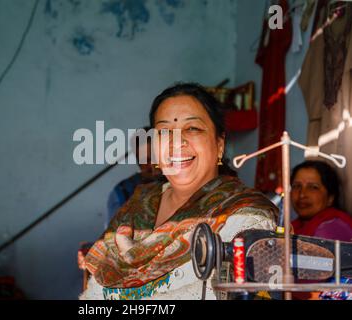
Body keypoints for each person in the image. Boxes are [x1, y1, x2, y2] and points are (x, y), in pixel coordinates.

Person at [80, 83, 279, 300]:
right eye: (165, 132)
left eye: (192, 128)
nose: (177, 142)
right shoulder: (139, 203)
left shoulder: (245, 215)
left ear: (219, 144)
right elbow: (95, 291)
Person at [106, 127, 164, 228]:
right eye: (145, 160)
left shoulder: (182, 181)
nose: (152, 165)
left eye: (155, 157)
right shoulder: (122, 193)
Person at [290, 160, 352, 241]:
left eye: (313, 187)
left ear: (330, 198)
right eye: (297, 186)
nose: (302, 194)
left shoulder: (331, 228)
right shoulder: (294, 227)